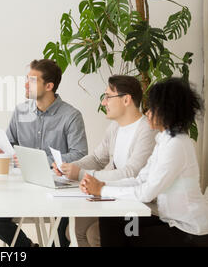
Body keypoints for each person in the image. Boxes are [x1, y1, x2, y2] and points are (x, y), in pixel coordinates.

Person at [80, 77, 208, 247]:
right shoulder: (164, 139)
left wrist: (103, 190)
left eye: (152, 108)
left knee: (129, 234)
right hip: (169, 221)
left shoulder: (177, 145)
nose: (147, 112)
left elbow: (146, 193)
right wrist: (103, 185)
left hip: (188, 231)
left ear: (167, 111)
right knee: (112, 221)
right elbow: (140, 180)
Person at [0, 59, 88, 247]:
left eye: (32, 81)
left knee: (61, 234)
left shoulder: (71, 116)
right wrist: (0, 149)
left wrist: (40, 161)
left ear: (49, 86)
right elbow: (11, 144)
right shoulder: (21, 111)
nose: (25, 84)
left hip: (57, 188)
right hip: (23, 187)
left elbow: (80, 155)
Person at [53, 75, 157, 246]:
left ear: (126, 100)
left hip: (143, 207)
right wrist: (71, 167)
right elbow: (97, 158)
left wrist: (81, 174)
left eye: (108, 97)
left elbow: (131, 174)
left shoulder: (147, 130)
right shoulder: (115, 127)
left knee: (95, 232)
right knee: (77, 227)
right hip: (119, 199)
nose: (104, 103)